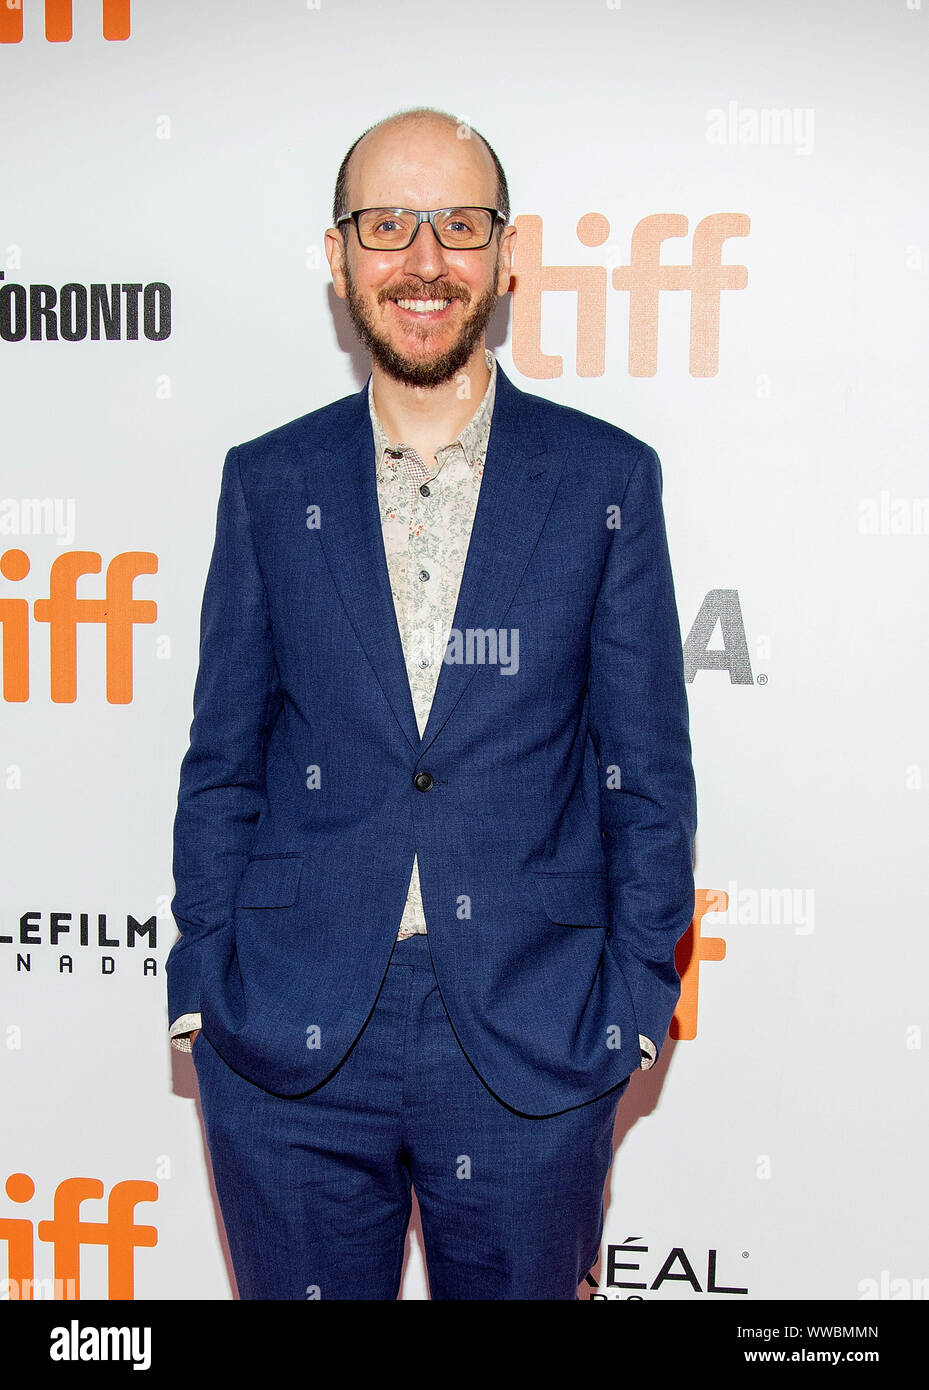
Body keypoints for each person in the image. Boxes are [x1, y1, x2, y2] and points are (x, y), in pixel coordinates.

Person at [167, 106, 697, 1301]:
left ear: (506, 255)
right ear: (338, 254)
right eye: (386, 224)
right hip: (289, 1040)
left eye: (458, 224)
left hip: (527, 1037)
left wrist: (630, 1015)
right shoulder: (268, 482)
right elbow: (224, 761)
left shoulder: (606, 480)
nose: (422, 258)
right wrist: (205, 983)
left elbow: (646, 776)